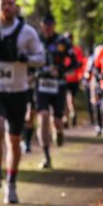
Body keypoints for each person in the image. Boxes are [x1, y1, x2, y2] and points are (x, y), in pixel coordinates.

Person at [0, 0, 44, 204]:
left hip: (18, 91)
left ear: (15, 6)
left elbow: (41, 58)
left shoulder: (27, 32)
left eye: (10, 3)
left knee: (14, 140)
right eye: (2, 3)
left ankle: (11, 183)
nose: (6, 7)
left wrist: (24, 57)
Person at [33, 14, 78, 168]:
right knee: (43, 117)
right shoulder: (35, 40)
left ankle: (59, 132)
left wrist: (60, 70)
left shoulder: (63, 41)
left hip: (58, 85)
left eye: (50, 26)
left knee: (57, 121)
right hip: (41, 85)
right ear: (41, 26)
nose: (47, 28)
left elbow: (74, 62)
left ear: (54, 26)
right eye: (45, 25)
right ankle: (46, 155)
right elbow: (26, 59)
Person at [62, 32, 85, 128]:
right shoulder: (60, 49)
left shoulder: (77, 50)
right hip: (63, 78)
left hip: (74, 79)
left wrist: (79, 75)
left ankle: (72, 114)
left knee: (71, 98)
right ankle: (66, 118)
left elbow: (80, 63)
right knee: (64, 100)